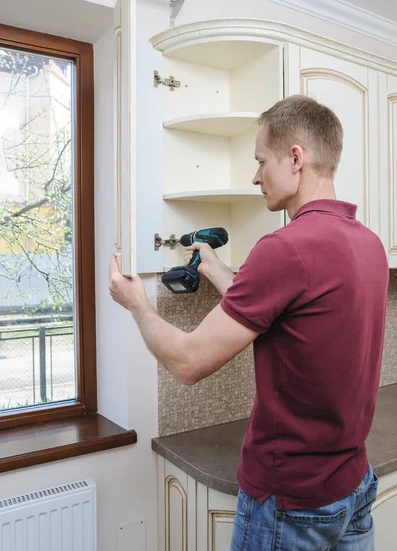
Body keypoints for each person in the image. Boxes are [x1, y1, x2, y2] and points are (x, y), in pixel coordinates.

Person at [109, 95, 389, 551]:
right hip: (353, 486)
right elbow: (287, 308)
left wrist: (136, 302)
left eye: (261, 160)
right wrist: (215, 268)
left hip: (290, 501)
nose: (255, 177)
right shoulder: (370, 244)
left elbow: (187, 362)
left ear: (295, 158)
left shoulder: (283, 248)